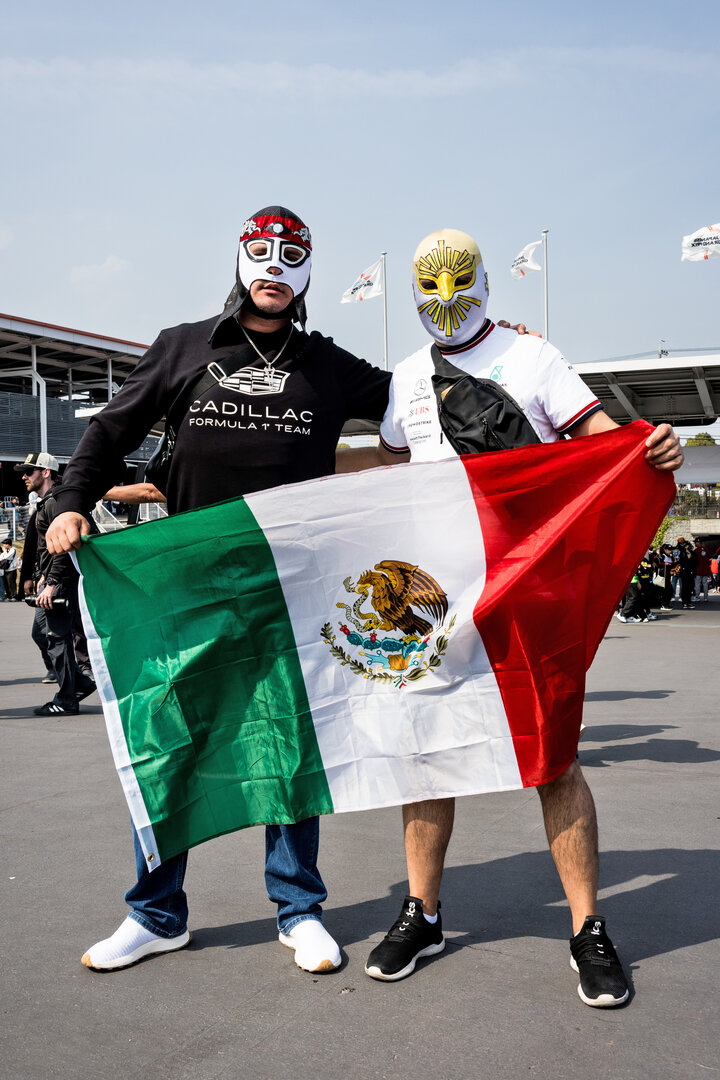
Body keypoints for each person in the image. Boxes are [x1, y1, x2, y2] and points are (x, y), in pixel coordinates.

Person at [45, 206, 394, 977]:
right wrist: (70, 501)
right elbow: (109, 431)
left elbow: (421, 403)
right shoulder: (183, 348)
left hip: (287, 587)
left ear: (306, 271)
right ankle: (155, 912)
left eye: (290, 256)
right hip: (186, 583)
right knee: (167, 741)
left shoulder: (329, 365)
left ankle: (298, 909)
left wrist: (497, 353)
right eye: (260, 253)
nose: (273, 267)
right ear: (240, 261)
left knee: (284, 746)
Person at [341, 227, 683, 1007]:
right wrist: (287, 480)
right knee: (427, 756)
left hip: (530, 593)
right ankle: (421, 913)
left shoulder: (533, 359)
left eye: (457, 282)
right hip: (438, 601)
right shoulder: (405, 378)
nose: (444, 300)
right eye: (428, 286)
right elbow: (391, 468)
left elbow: (602, 443)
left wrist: (649, 445)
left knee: (552, 755)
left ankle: (588, 926)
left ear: (483, 282)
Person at [14, 452, 96, 714]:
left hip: (60, 581)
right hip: (48, 580)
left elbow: (64, 547)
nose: (25, 476)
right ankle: (80, 682)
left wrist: (51, 582)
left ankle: (67, 699)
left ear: (46, 472)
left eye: (30, 471)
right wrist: (36, 575)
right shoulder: (46, 503)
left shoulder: (58, 502)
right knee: (41, 633)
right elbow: (42, 547)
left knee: (57, 638)